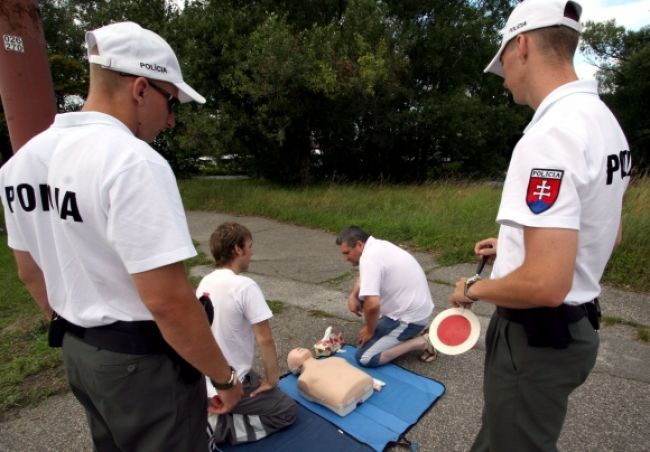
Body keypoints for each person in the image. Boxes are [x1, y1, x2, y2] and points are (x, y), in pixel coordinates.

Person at [0, 21, 242, 451]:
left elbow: (29, 272)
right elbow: (167, 302)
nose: (170, 120)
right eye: (172, 103)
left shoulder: (21, 164)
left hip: (80, 353)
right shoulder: (133, 163)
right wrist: (223, 377)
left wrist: (83, 327)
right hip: (143, 366)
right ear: (141, 89)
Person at [449, 1, 631, 451]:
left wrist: (472, 290)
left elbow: (547, 285)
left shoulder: (548, 135)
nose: (504, 76)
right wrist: (513, 242)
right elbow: (608, 229)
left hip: (537, 337)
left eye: (503, 60)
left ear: (523, 46)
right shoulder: (604, 123)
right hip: (575, 331)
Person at [196, 222, 296, 447]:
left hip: (206, 377)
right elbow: (265, 338)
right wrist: (272, 379)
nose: (252, 252)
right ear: (238, 249)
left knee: (254, 379)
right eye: (249, 246)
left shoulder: (205, 281)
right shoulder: (244, 286)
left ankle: (215, 409)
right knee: (287, 411)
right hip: (229, 381)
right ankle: (217, 427)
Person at [336, 226, 435, 366]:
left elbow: (373, 305)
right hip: (416, 309)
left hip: (409, 318)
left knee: (365, 357)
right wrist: (353, 296)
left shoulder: (369, 258)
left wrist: (370, 330)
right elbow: (363, 279)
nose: (345, 258)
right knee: (365, 300)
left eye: (347, 253)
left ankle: (422, 342)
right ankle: (404, 333)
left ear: (359, 244)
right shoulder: (378, 246)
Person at [287, 347, 374, 417]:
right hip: (355, 393)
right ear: (294, 368)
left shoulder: (334, 359)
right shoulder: (303, 380)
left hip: (358, 391)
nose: (298, 349)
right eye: (294, 352)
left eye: (299, 347)